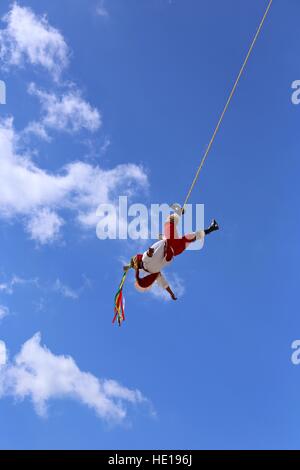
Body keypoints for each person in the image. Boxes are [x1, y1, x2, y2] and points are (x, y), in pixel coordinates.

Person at [124, 212, 219, 300]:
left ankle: (212, 228)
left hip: (176, 251)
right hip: (170, 242)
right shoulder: (145, 260)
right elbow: (148, 256)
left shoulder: (155, 273)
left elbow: (164, 284)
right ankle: (179, 213)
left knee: (190, 237)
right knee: (169, 222)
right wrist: (149, 253)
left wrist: (171, 293)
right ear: (138, 262)